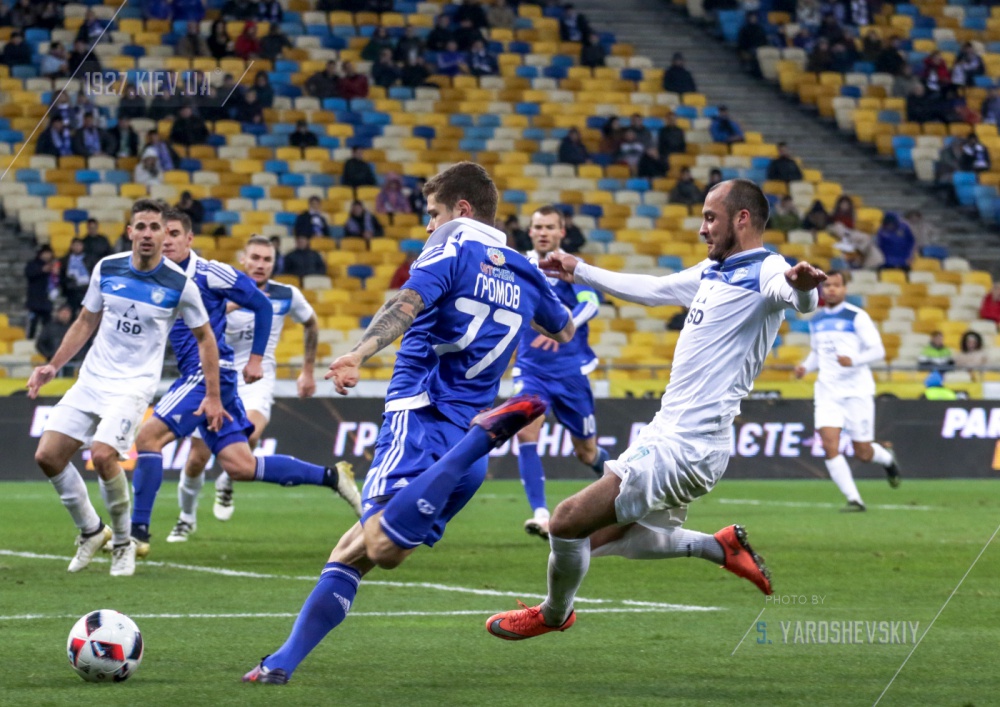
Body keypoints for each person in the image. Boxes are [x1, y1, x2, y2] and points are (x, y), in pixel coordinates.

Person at [242, 161, 575, 685]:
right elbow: (565, 327)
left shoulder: (450, 247)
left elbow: (408, 302)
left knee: (381, 546)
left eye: (433, 214)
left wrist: (358, 353)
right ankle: (279, 665)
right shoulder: (522, 267)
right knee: (351, 553)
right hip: (467, 441)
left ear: (461, 211)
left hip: (422, 419)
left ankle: (481, 440)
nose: (428, 225)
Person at [485, 178, 827, 640]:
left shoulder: (767, 269)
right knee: (594, 539)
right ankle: (717, 548)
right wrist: (578, 269)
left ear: (742, 219)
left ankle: (554, 614)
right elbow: (651, 288)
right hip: (666, 433)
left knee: (564, 523)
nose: (702, 228)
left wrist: (803, 289)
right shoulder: (712, 271)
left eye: (711, 218)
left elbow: (798, 298)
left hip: (690, 445)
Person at [126, 212, 361, 555]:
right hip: (210, 376)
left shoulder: (211, 272)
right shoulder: (158, 277)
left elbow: (262, 304)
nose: (168, 239)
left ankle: (136, 536)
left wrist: (256, 359)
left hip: (210, 375)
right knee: (241, 465)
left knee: (148, 438)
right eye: (165, 233)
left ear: (189, 239)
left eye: (174, 233)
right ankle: (333, 477)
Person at [27, 199, 217, 578]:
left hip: (133, 387)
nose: (147, 234)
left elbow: (205, 338)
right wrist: (53, 365)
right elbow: (86, 320)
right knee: (47, 456)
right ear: (130, 231)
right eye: (140, 226)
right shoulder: (107, 268)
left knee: (102, 456)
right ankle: (91, 531)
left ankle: (123, 542)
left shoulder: (180, 284)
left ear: (164, 235)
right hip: (92, 380)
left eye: (154, 227)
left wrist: (213, 395)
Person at [168, 235, 333, 537]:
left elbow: (311, 323)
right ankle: (186, 517)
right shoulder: (220, 290)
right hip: (216, 378)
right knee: (196, 458)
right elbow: (195, 329)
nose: (261, 265)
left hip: (256, 378)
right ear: (243, 259)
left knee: (252, 434)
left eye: (267, 259)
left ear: (274, 264)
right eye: (255, 258)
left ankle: (227, 481)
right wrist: (227, 307)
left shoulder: (286, 294)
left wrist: (307, 371)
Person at [513, 206, 608, 539]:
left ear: (561, 232)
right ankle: (540, 515)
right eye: (538, 226)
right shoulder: (519, 266)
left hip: (570, 372)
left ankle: (627, 487)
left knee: (587, 453)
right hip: (531, 370)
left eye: (550, 227)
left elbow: (591, 304)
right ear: (530, 231)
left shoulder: (571, 266)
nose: (543, 232)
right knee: (525, 432)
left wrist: (563, 327)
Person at [793, 271, 900, 512]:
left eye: (836, 285)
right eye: (827, 285)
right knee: (829, 446)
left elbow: (878, 351)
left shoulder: (857, 317)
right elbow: (817, 354)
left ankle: (887, 459)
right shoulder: (816, 320)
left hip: (856, 391)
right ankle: (855, 500)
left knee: (863, 452)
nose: (831, 289)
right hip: (827, 390)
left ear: (845, 289)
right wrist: (805, 367)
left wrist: (854, 360)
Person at [24, 245, 56, 339]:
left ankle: (47, 342)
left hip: (47, 301)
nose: (47, 255)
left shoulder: (53, 266)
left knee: (47, 325)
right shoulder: (33, 264)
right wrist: (42, 270)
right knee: (32, 324)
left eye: (49, 253)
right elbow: (28, 273)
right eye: (45, 253)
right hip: (34, 301)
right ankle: (30, 341)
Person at [60, 238, 91, 315]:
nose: (77, 247)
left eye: (79, 245)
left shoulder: (90, 259)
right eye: (75, 245)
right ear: (71, 246)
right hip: (71, 292)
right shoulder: (65, 260)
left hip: (85, 291)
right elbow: (61, 276)